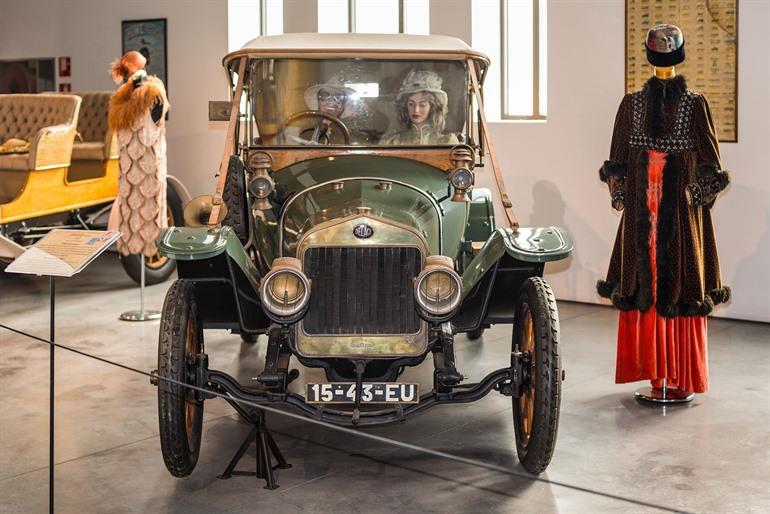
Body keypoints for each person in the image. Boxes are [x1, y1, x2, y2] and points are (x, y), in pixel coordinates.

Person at [597, 24, 730, 397]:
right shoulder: (632, 105)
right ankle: (655, 373)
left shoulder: (695, 104)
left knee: (679, 286)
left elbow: (711, 167)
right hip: (642, 216)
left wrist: (694, 195)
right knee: (646, 285)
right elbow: (618, 162)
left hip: (681, 220)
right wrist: (622, 193)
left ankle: (677, 375)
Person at [107, 50, 170, 257]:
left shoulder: (153, 93)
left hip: (150, 168)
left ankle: (153, 250)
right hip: (128, 171)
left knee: (150, 212)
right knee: (130, 215)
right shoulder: (119, 100)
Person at [380, 70, 458, 145]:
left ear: (432, 107)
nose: (416, 110)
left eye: (422, 105)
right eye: (411, 104)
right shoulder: (392, 141)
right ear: (405, 107)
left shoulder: (446, 142)